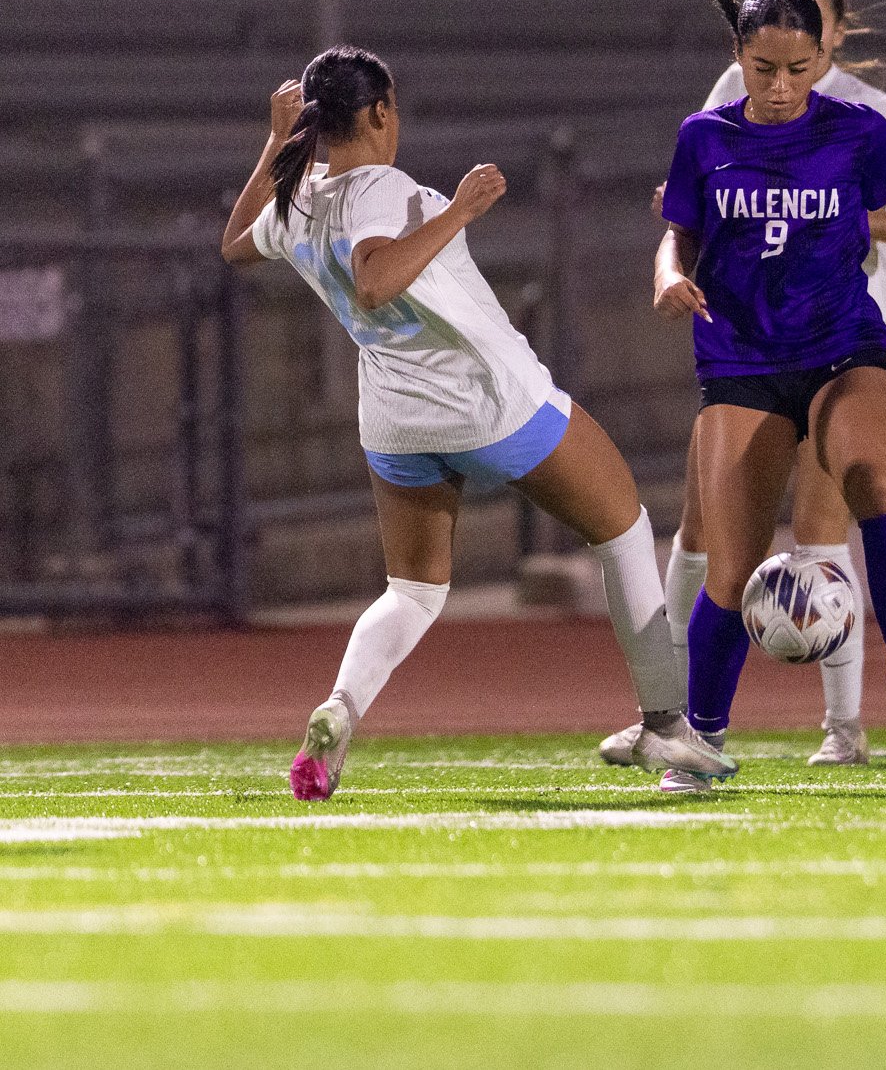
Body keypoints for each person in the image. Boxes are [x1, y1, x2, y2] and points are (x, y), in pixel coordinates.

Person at [218, 47, 733, 802]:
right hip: (489, 401)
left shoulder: (301, 197)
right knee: (623, 526)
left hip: (395, 420)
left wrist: (274, 143)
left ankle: (341, 709)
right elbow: (374, 280)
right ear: (381, 112)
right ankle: (663, 722)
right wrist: (459, 210)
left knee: (414, 591)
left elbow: (234, 245)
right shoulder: (381, 186)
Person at [651, 0, 886, 792]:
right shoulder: (704, 135)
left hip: (841, 345)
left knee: (878, 480)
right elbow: (678, 232)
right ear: (739, 54)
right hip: (741, 359)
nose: (781, 86)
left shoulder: (859, 128)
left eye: (799, 69)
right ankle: (698, 743)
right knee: (732, 567)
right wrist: (667, 275)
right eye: (765, 68)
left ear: (823, 57)